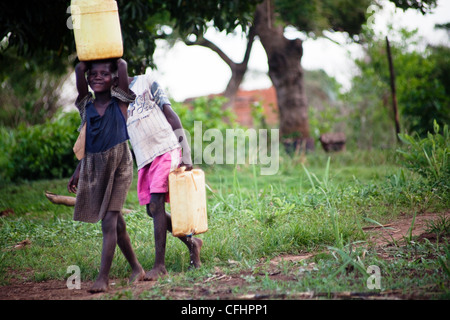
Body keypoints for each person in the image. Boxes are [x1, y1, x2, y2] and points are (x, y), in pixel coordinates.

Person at [68, 58, 145, 293]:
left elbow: (122, 68)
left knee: (109, 221)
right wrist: (78, 169)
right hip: (95, 166)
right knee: (117, 222)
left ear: (113, 79)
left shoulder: (120, 101)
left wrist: (116, 58)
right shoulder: (86, 106)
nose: (97, 77)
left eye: (104, 74)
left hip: (120, 164)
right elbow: (88, 140)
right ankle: (137, 268)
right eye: (94, 74)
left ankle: (103, 278)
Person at [124, 73, 203, 280]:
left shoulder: (146, 83)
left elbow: (171, 115)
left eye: (109, 71)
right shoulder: (115, 98)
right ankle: (192, 242)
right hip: (144, 159)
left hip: (165, 148)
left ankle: (160, 265)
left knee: (157, 206)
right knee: (152, 211)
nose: (105, 77)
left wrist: (185, 152)